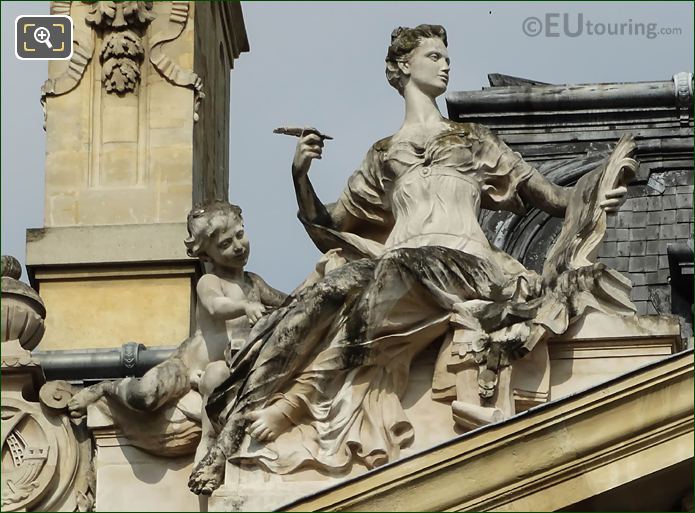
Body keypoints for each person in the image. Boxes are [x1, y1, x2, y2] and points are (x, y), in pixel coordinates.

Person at [188, 25, 627, 495]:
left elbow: (552, 196)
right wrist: (300, 173)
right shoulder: (382, 155)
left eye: (445, 56)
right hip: (396, 267)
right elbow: (327, 224)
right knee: (324, 291)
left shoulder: (474, 140)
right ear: (403, 68)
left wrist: (599, 189)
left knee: (392, 271)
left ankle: (295, 402)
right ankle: (229, 435)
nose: (445, 64)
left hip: (469, 265)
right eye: (433, 56)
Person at [68, 201, 286, 461]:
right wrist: (244, 306)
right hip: (185, 365)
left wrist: (318, 275)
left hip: (220, 369)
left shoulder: (254, 283)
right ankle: (104, 389)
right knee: (145, 395)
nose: (238, 246)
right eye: (225, 244)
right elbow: (216, 306)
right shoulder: (210, 281)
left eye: (240, 235)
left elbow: (291, 304)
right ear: (207, 256)